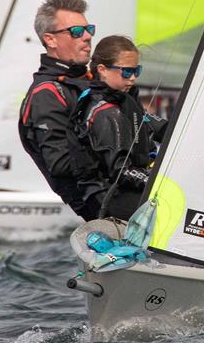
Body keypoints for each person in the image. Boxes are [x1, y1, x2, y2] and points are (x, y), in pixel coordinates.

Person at [18, 0, 98, 219]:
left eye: (88, 29)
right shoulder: (47, 93)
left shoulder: (91, 80)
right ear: (50, 40)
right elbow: (62, 164)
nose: (88, 36)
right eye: (76, 31)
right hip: (105, 208)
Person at [70, 35, 166, 220]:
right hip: (109, 198)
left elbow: (162, 129)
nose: (133, 78)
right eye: (127, 72)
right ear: (103, 70)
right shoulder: (107, 113)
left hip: (125, 190)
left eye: (137, 71)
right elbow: (121, 171)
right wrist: (159, 181)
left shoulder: (124, 101)